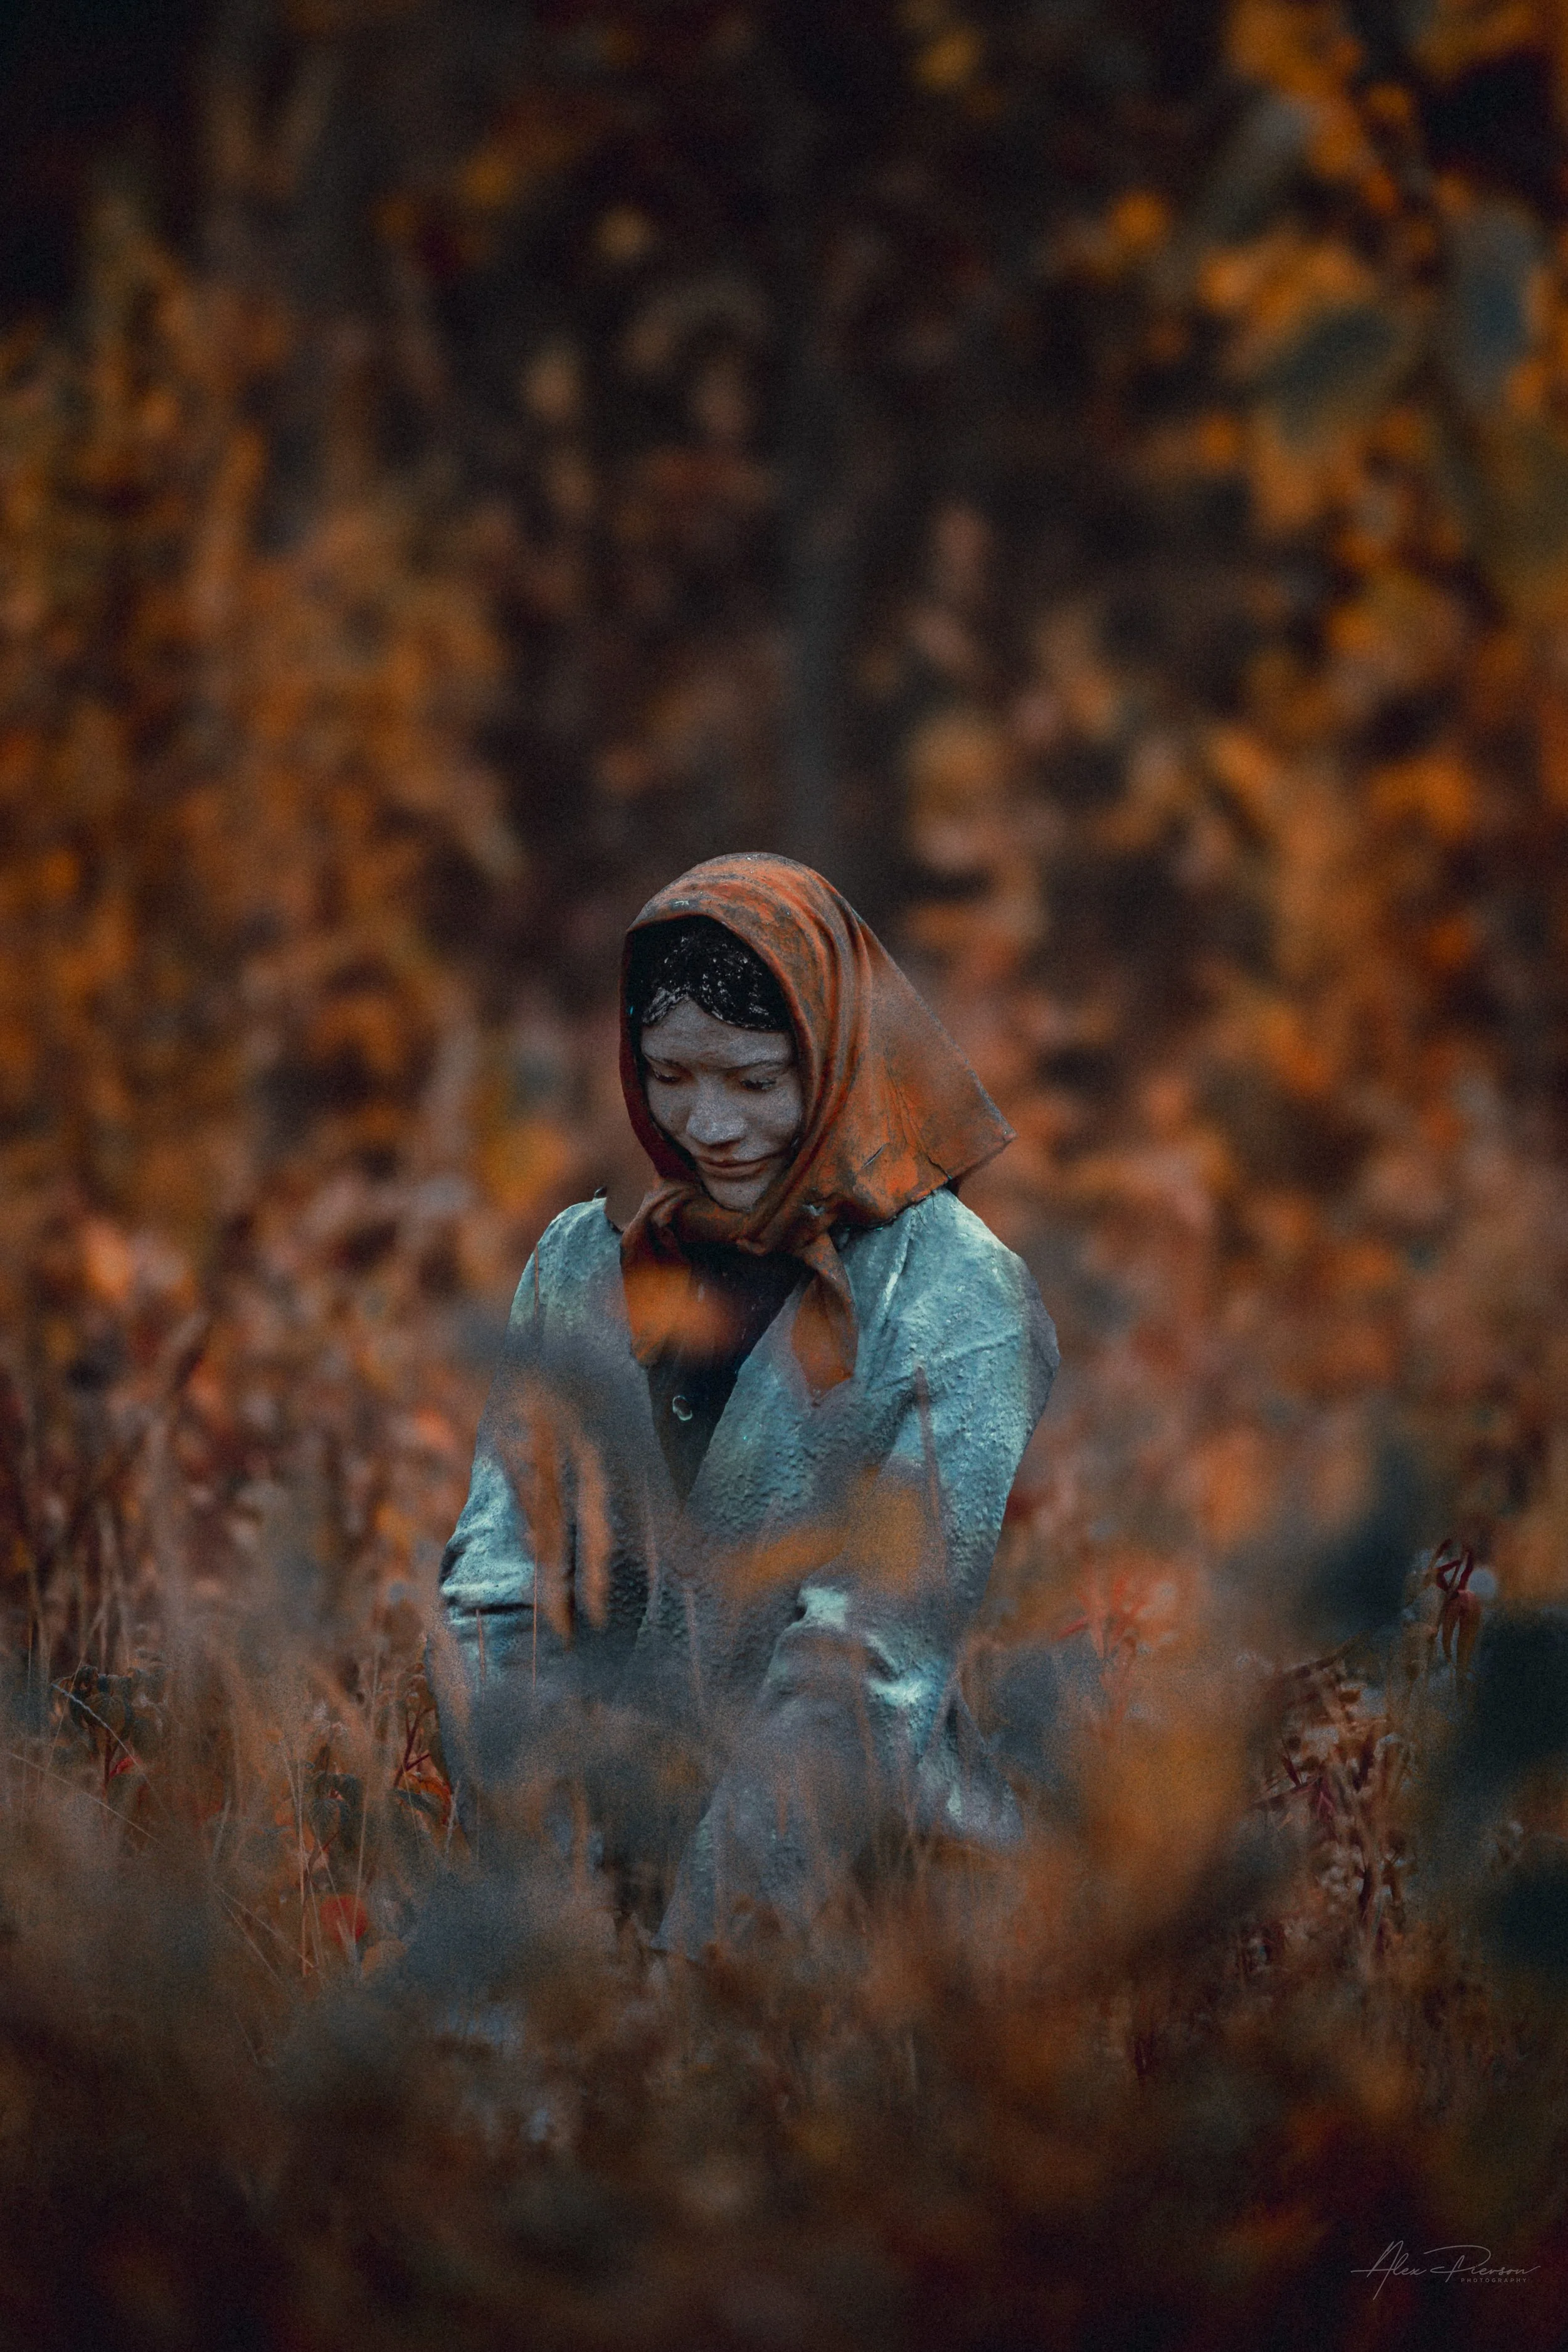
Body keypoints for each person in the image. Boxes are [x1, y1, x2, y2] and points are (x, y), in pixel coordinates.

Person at [433, 854, 1058, 1952]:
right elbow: (495, 1593)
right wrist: (556, 1904)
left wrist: (699, 1970)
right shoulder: (585, 1268)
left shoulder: (956, 1293)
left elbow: (864, 1670)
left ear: (836, 1055)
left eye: (756, 1079)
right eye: (670, 1073)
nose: (707, 1122)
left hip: (873, 1916)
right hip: (586, 1891)